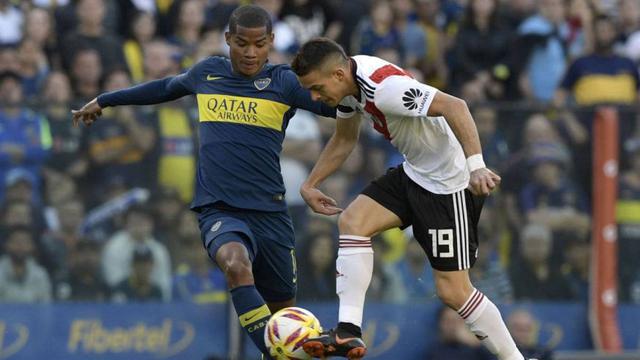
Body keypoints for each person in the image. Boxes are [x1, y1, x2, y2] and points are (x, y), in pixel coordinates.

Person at [71, 5, 335, 357]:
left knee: (284, 315)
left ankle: (276, 352)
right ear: (228, 40)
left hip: (271, 214)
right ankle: (276, 354)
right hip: (220, 209)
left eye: (259, 44)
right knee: (236, 265)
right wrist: (105, 99)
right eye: (241, 43)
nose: (250, 52)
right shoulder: (207, 73)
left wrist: (379, 98)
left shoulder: (284, 82)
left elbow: (332, 103)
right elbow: (164, 87)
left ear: (271, 42)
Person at [291, 38, 529, 360]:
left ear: (336, 74)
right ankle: (348, 331)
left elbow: (455, 106)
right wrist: (311, 183)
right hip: (415, 172)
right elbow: (346, 137)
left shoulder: (385, 89)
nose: (314, 97)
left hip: (448, 186)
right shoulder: (349, 86)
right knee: (353, 221)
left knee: (453, 291)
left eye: (316, 88)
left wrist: (477, 167)